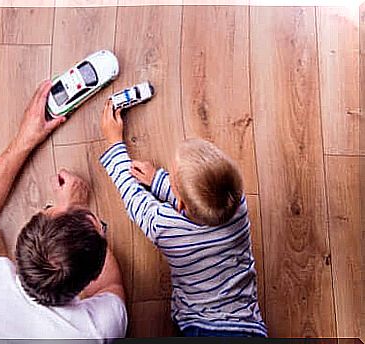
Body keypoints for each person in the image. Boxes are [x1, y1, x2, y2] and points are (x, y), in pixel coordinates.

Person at [0, 81, 127, 341]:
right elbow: (111, 287)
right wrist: (78, 211)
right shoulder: (97, 329)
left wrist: (24, 140)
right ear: (92, 277)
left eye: (49, 209)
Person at [99, 100, 267, 337]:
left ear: (179, 203)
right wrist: (159, 180)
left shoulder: (165, 227)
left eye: (172, 177)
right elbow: (201, 199)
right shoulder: (236, 202)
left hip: (200, 326)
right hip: (246, 323)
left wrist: (114, 142)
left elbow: (131, 195)